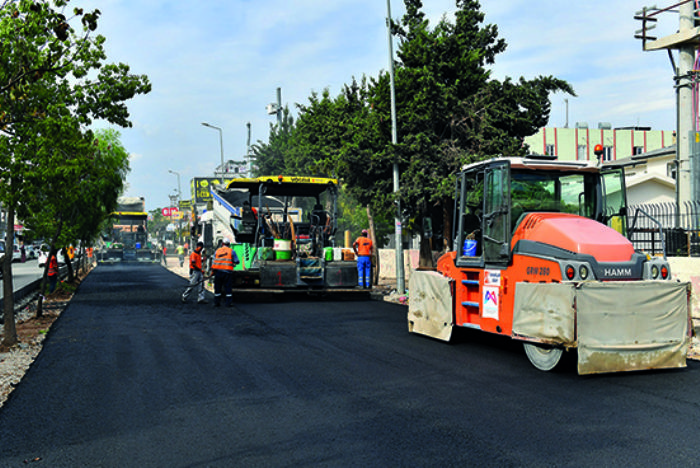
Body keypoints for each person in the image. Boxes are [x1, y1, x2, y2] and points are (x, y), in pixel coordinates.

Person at [211, 238, 239, 307]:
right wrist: (233, 262)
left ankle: (217, 302)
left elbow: (213, 261)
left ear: (222, 244)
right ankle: (228, 303)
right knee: (228, 287)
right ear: (229, 244)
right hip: (227, 273)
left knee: (218, 287)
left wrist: (212, 271)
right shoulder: (231, 251)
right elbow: (237, 261)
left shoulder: (217, 251)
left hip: (218, 272)